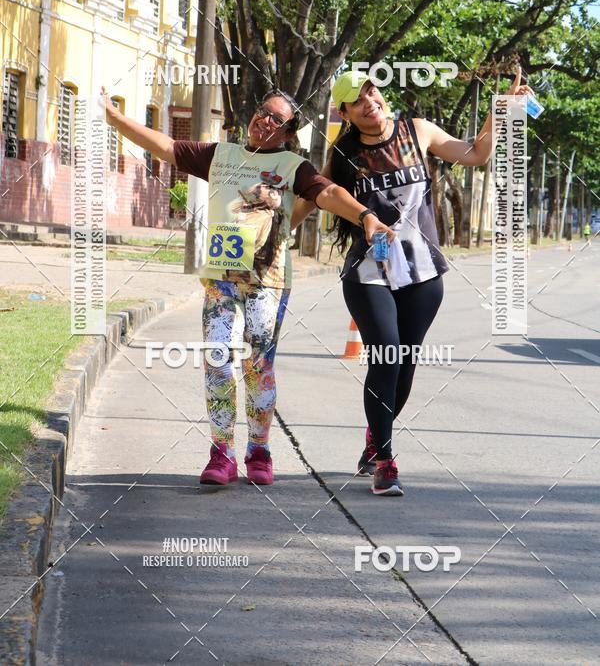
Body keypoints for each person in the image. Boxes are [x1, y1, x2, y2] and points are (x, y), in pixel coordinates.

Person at [101, 87, 394, 487]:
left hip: (267, 283)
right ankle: (221, 453)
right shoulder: (220, 156)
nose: (265, 121)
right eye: (262, 111)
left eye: (277, 119)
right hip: (222, 281)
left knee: (257, 365)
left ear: (289, 132)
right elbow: (167, 147)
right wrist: (116, 119)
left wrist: (365, 217)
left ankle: (259, 450)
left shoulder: (294, 166)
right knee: (219, 360)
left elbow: (327, 193)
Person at [292, 67, 532, 496]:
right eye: (357, 100)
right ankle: (385, 459)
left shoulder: (416, 131)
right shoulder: (343, 154)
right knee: (385, 356)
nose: (370, 102)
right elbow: (315, 195)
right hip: (369, 273)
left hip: (422, 272)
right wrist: (269, 233)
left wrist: (502, 111)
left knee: (403, 364)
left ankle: (373, 437)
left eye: (372, 92)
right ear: (345, 113)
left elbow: (476, 154)